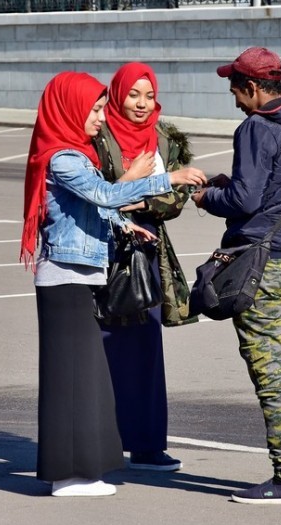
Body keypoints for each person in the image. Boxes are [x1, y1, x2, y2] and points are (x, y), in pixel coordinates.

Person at [21, 71, 206, 497]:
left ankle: (78, 473)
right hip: (66, 277)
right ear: (70, 109)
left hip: (78, 276)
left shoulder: (74, 153)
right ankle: (69, 477)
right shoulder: (65, 158)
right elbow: (103, 194)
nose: (100, 118)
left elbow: (93, 207)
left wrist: (124, 226)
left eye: (103, 109)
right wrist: (169, 178)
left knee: (82, 380)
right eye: (94, 109)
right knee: (72, 379)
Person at [191, 47, 281, 505]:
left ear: (253, 87)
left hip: (262, 265)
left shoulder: (257, 127)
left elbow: (246, 200)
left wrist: (207, 197)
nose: (235, 100)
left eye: (236, 90)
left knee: (272, 373)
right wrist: (231, 187)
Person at [94, 62, 195, 472]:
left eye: (149, 96)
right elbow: (90, 189)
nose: (141, 104)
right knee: (101, 345)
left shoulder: (166, 139)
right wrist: (132, 189)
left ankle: (147, 444)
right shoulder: (98, 132)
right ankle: (99, 440)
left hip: (145, 249)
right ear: (118, 94)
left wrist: (140, 200)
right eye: (133, 95)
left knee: (145, 346)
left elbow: (178, 196)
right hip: (101, 245)